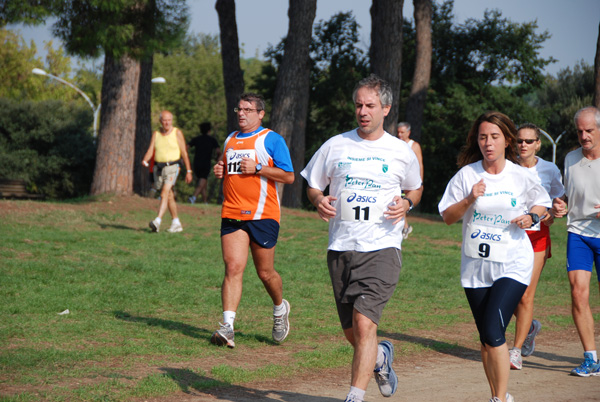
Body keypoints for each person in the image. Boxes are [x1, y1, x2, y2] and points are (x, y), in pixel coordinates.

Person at [301, 74, 423, 402]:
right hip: (341, 247)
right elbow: (313, 183)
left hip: (382, 247)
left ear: (386, 108)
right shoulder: (335, 145)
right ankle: (380, 358)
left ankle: (355, 396)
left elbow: (416, 187)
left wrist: (408, 202)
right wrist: (318, 199)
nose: (363, 111)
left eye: (370, 105)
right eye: (358, 105)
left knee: (364, 323)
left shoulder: (400, 151)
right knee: (351, 331)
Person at [438, 111, 551, 402]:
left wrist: (530, 216)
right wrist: (469, 198)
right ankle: (498, 395)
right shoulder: (467, 175)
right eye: (483, 137)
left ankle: (500, 399)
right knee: (487, 340)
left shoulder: (520, 175)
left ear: (507, 140)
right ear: (477, 141)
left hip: (513, 263)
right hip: (476, 268)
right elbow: (448, 217)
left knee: (493, 330)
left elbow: (541, 203)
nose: (488, 143)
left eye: (495, 137)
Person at [211, 93, 294, 348]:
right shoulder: (230, 139)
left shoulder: (271, 139)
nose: (241, 113)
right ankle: (228, 327)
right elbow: (226, 166)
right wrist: (220, 169)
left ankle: (280, 309)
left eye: (248, 109)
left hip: (263, 215)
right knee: (233, 267)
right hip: (232, 212)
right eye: (239, 108)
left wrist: (259, 168)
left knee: (265, 273)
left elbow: (288, 176)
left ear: (260, 114)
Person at [508, 123, 564, 370]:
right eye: (520, 140)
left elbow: (559, 201)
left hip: (537, 236)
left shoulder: (549, 169)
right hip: (507, 235)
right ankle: (530, 327)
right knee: (504, 293)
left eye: (529, 141)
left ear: (538, 144)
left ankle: (516, 351)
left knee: (525, 295)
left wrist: (554, 212)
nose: (523, 145)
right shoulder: (506, 167)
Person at [552, 106, 600, 377]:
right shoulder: (570, 158)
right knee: (578, 293)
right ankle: (590, 359)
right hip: (579, 233)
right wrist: (560, 205)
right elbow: (567, 197)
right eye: (580, 131)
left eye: (589, 130)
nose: (583, 136)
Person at [142, 110, 192, 233]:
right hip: (160, 168)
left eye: (169, 120)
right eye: (164, 120)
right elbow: (151, 149)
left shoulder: (177, 133)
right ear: (160, 121)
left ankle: (157, 221)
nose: (167, 122)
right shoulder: (156, 134)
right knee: (168, 195)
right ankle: (176, 222)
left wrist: (189, 170)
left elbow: (184, 153)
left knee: (164, 193)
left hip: (173, 167)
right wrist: (145, 159)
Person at [396, 122, 424, 239]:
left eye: (402, 132)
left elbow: (420, 164)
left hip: (410, 181)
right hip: (399, 179)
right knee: (399, 201)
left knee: (404, 202)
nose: (400, 135)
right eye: (398, 132)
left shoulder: (414, 145)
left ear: (408, 132)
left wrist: (420, 182)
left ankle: (405, 227)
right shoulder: (395, 144)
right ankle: (404, 227)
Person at [188, 122, 222, 204]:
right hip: (206, 163)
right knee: (203, 181)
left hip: (196, 163)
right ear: (209, 130)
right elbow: (218, 151)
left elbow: (186, 146)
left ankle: (205, 201)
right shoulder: (212, 140)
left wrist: (185, 156)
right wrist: (218, 159)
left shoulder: (196, 139)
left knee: (203, 181)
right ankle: (194, 197)